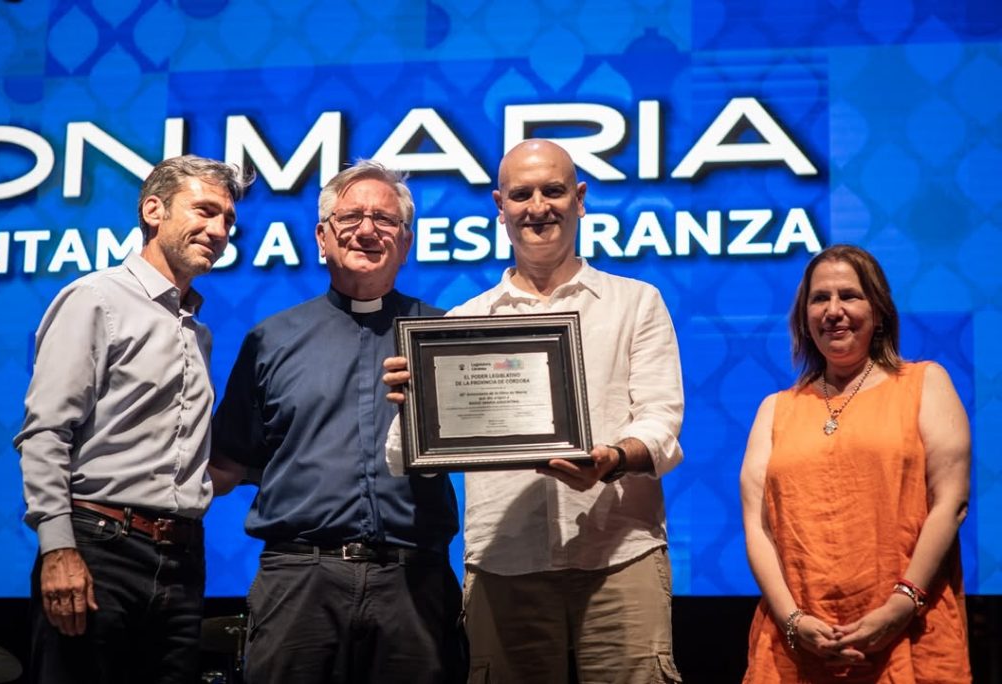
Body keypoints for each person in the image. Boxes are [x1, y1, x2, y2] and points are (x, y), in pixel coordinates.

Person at [384, 139, 685, 683]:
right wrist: (413, 407)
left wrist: (612, 460)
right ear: (500, 206)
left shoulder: (636, 303)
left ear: (580, 199)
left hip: (620, 555)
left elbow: (661, 424)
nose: (538, 207)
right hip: (504, 564)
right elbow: (401, 457)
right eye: (521, 195)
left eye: (554, 191)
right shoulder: (461, 325)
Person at [208, 160, 465, 684]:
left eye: (385, 220)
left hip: (413, 581)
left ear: (406, 242)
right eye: (350, 218)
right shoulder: (270, 341)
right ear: (322, 238)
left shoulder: (444, 337)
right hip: (298, 580)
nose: (367, 230)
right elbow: (227, 463)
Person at [15, 154, 251, 684]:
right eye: (205, 211)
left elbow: (177, 459)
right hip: (100, 549)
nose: (219, 231)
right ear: (153, 211)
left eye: (228, 220)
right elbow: (46, 432)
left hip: (182, 561)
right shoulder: (96, 299)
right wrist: (58, 548)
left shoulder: (198, 332)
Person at [740, 245, 972, 682]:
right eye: (819, 299)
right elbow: (758, 528)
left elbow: (951, 503)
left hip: (909, 630)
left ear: (878, 312)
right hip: (795, 646)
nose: (833, 311)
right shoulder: (775, 408)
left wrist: (901, 605)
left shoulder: (925, 383)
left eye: (849, 295)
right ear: (804, 318)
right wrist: (793, 621)